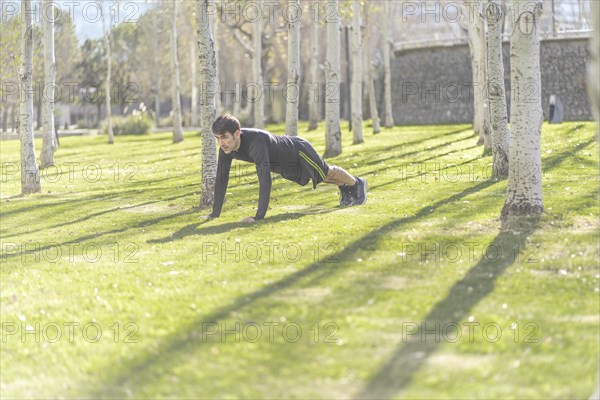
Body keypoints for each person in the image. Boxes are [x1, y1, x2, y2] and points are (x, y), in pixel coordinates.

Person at [202, 114, 367, 223]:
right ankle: (345, 186)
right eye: (217, 138)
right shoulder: (226, 149)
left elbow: (264, 180)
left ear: (237, 133)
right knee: (319, 177)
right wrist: (214, 214)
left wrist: (258, 217)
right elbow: (222, 179)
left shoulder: (256, 143)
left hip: (298, 151)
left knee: (324, 172)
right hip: (283, 165)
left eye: (224, 137)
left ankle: (357, 183)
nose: (221, 143)